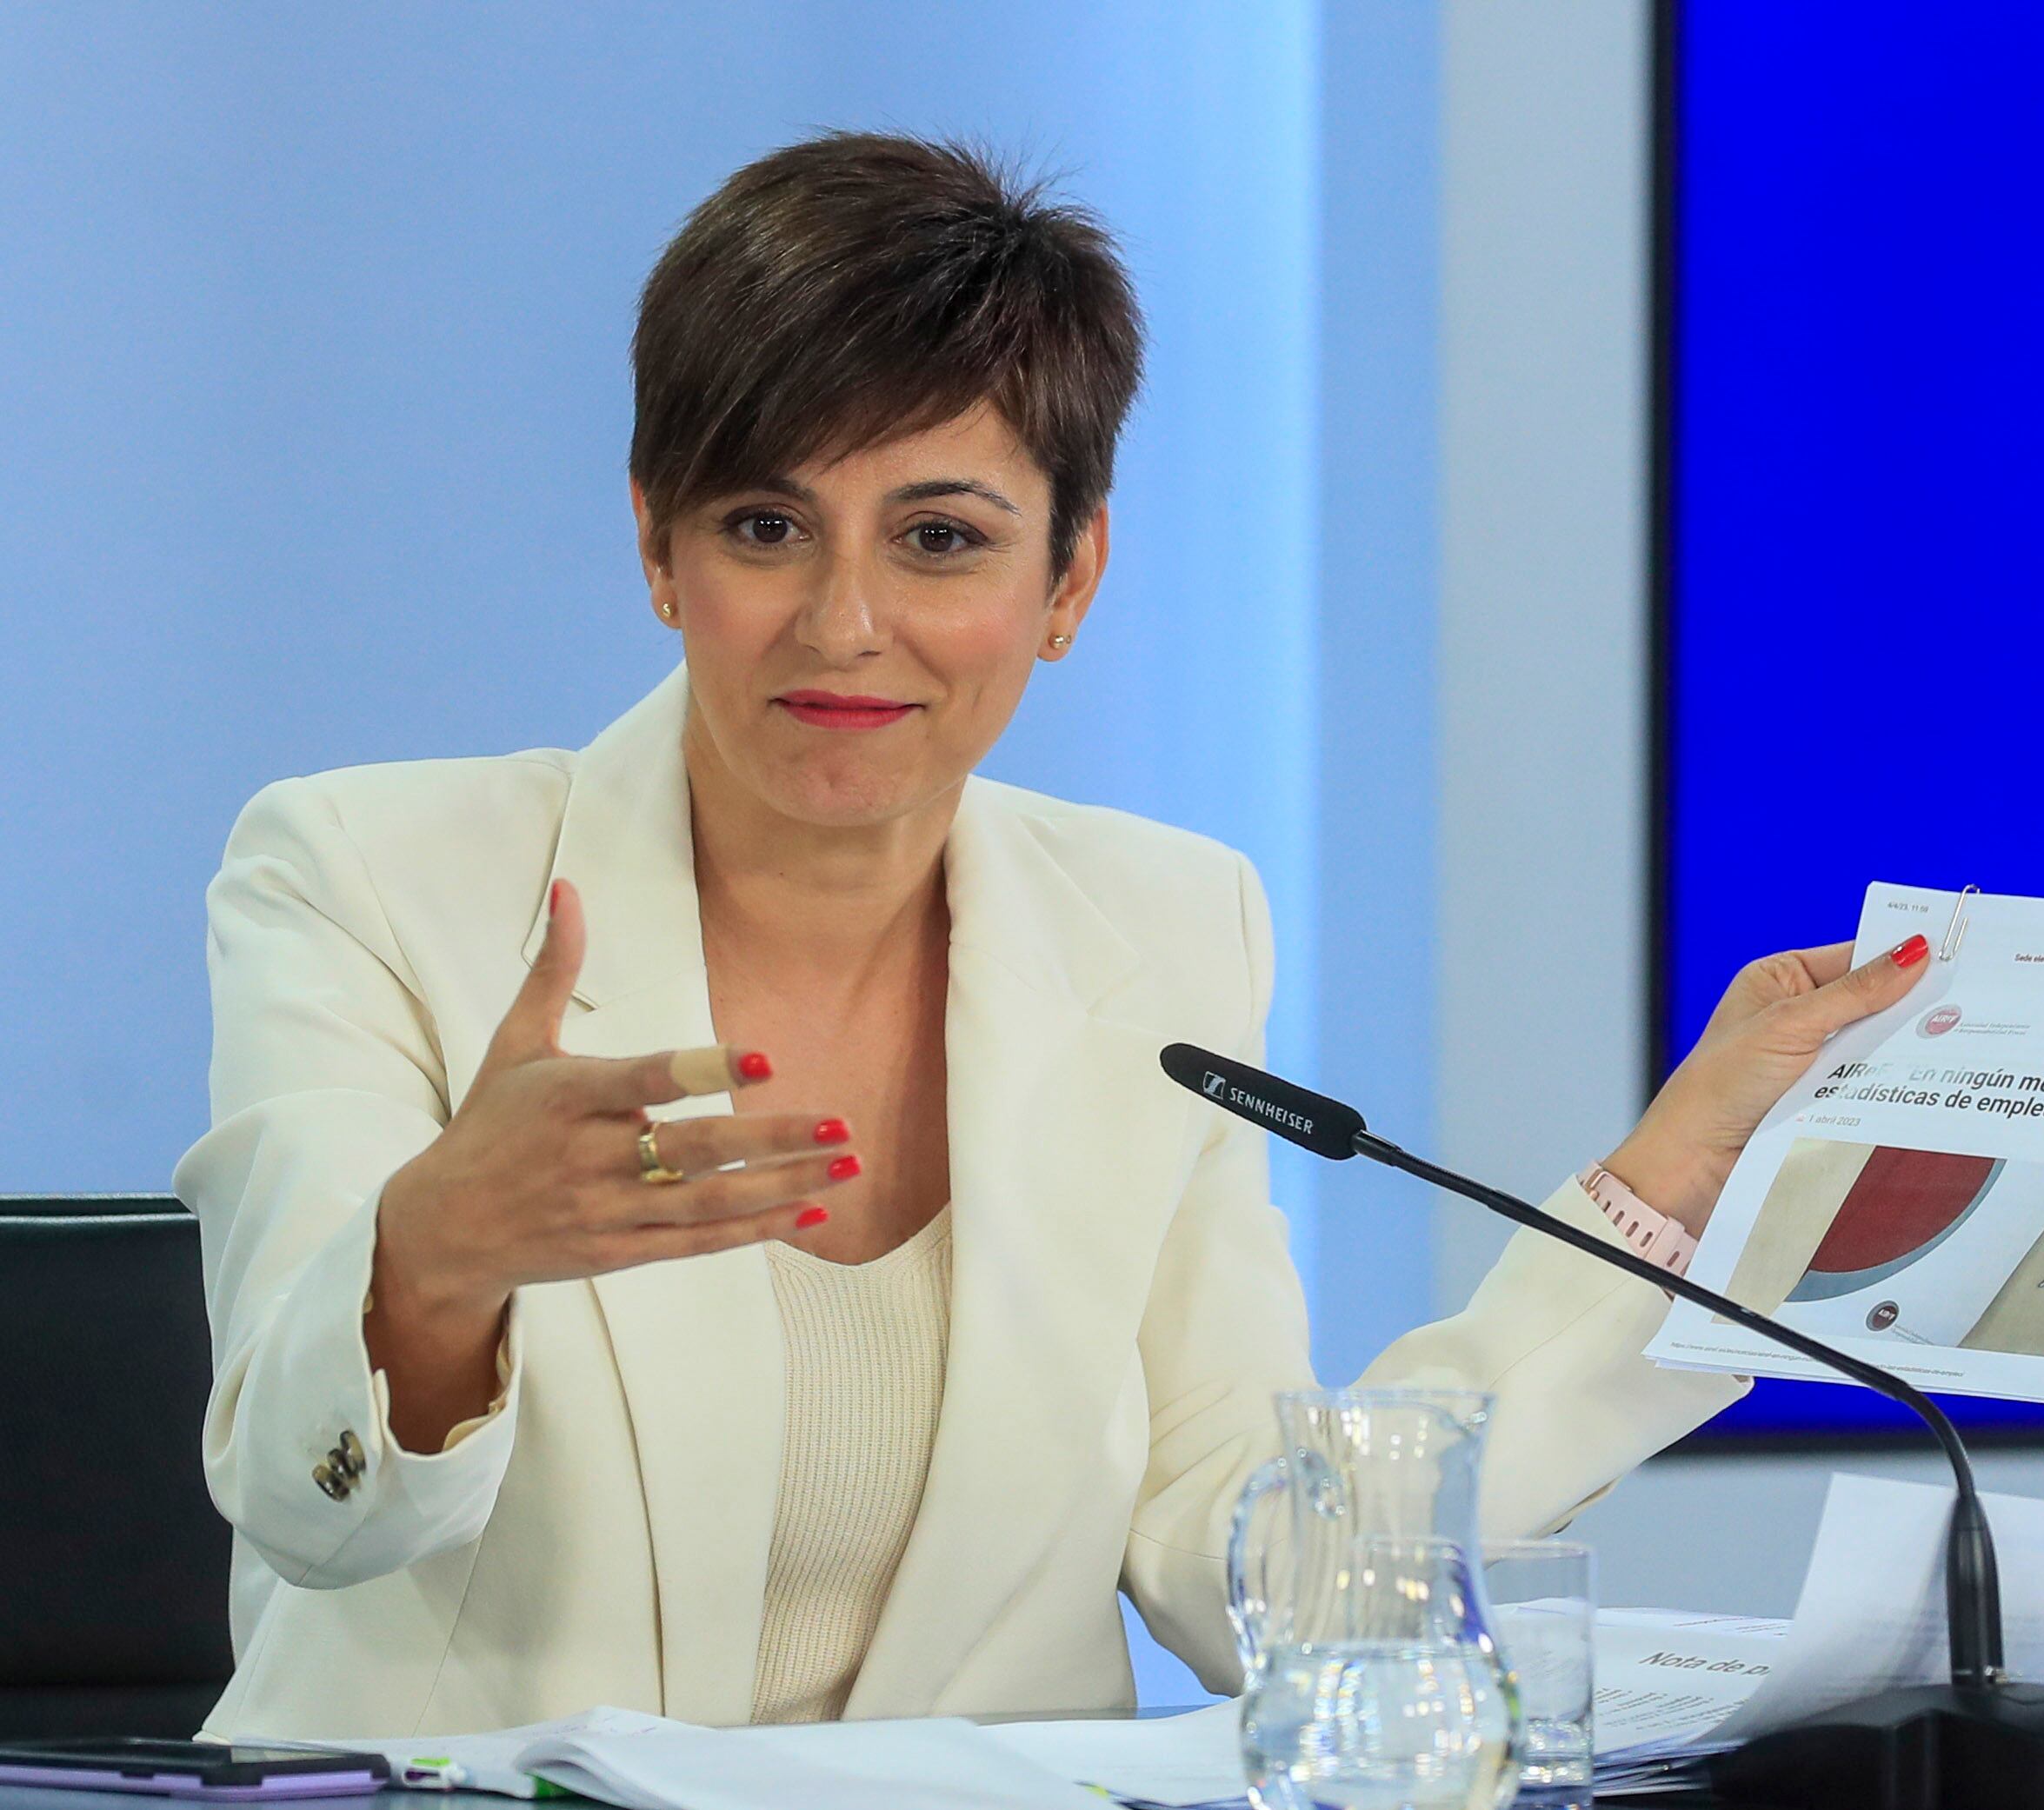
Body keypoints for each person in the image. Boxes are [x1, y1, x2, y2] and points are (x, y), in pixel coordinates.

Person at [178, 131, 1933, 1739]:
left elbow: (1254, 1578)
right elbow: (301, 1501)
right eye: (765, 527)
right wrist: (433, 1264)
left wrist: (1673, 1185)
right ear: (656, 544)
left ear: (1071, 579)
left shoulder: (1163, 922)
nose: (845, 621)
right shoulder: (369, 875)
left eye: (940, 539)